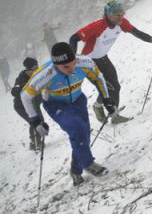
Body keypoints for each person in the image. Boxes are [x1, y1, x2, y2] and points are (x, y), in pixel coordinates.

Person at [21, 42, 115, 186]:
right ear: (55, 64)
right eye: (66, 67)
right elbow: (25, 96)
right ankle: (89, 164)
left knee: (83, 135)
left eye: (73, 63)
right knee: (78, 129)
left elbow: (99, 78)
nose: (72, 69)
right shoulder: (45, 73)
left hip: (78, 100)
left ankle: (76, 171)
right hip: (56, 105)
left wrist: (107, 99)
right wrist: (35, 120)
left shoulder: (84, 62)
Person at [69, 0, 152, 124]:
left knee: (115, 86)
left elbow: (137, 33)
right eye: (118, 15)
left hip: (103, 58)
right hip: (88, 61)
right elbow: (73, 38)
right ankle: (102, 109)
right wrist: (71, 60)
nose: (122, 17)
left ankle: (111, 113)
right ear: (109, 16)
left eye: (122, 13)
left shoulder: (122, 23)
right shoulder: (97, 26)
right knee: (108, 87)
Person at [11, 57, 43, 151]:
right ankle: (36, 143)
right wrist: (23, 88)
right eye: (34, 69)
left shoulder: (38, 74)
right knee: (34, 122)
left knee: (39, 121)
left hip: (34, 104)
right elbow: (14, 91)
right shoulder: (21, 79)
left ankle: (35, 142)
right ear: (27, 70)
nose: (36, 70)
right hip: (21, 106)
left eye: (37, 67)